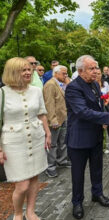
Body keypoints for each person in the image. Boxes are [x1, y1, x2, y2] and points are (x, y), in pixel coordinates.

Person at [65, 55, 109, 219]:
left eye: (96, 68)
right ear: (80, 71)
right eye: (91, 68)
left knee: (97, 168)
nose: (96, 71)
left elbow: (99, 105)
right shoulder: (73, 88)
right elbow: (82, 111)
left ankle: (97, 193)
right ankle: (77, 202)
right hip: (79, 138)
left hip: (96, 135)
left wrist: (105, 118)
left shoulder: (93, 84)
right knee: (78, 173)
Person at [0, 57, 51, 220]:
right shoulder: (2, 93)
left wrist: (47, 133)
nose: (29, 72)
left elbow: (42, 113)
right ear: (12, 72)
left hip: (36, 138)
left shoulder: (36, 90)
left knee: (35, 177)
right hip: (13, 143)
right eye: (24, 70)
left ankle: (30, 212)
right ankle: (17, 213)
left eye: (29, 69)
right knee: (22, 185)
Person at [43, 65, 70, 178]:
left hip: (63, 118)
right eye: (64, 73)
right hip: (55, 120)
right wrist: (53, 120)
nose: (66, 75)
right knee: (52, 144)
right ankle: (50, 167)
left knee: (63, 141)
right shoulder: (50, 85)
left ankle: (62, 160)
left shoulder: (60, 84)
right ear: (56, 73)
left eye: (66, 73)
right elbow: (49, 104)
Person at [96, 68, 109, 153]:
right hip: (96, 108)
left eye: (99, 73)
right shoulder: (91, 84)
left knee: (105, 126)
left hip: (104, 106)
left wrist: (106, 102)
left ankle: (104, 145)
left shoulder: (105, 83)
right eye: (96, 73)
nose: (98, 75)